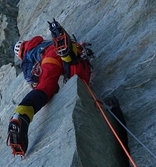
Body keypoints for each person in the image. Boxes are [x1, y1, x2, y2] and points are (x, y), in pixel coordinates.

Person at [7, 19, 93, 157]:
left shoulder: (26, 59)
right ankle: (68, 54)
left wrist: (34, 79)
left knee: (46, 87)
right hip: (55, 47)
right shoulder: (39, 41)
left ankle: (21, 116)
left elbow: (30, 76)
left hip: (48, 60)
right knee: (77, 74)